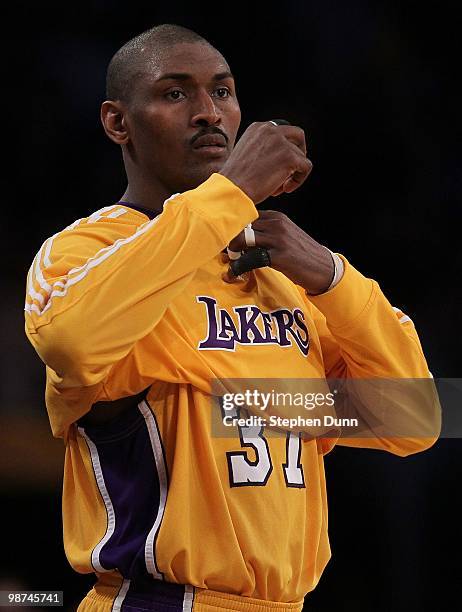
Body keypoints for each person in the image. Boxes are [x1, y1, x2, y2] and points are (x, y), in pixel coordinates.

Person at [24, 24, 441, 612]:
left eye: (222, 92)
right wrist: (233, 188)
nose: (207, 114)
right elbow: (71, 341)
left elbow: (413, 419)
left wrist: (330, 275)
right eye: (175, 94)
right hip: (160, 600)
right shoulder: (85, 251)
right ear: (118, 122)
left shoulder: (280, 277)